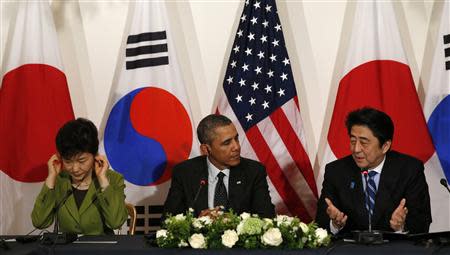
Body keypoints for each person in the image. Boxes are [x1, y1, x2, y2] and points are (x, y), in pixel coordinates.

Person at [316, 107, 431, 234]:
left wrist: (401, 227)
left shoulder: (409, 170)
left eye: (364, 143)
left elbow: (422, 222)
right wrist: (335, 224)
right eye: (353, 141)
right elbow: (320, 223)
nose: (356, 149)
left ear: (385, 146)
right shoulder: (336, 171)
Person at [163, 114, 275, 218]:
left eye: (236, 138)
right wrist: (198, 223)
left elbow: (267, 218)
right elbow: (169, 220)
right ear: (206, 149)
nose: (236, 147)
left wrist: (228, 221)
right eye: (227, 143)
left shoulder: (254, 171)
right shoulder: (184, 173)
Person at [31, 118, 128, 235]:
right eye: (68, 161)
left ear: (95, 156)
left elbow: (116, 222)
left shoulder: (113, 179)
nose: (75, 168)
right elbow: (39, 223)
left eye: (82, 160)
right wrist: (51, 178)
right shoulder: (59, 180)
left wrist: (103, 181)